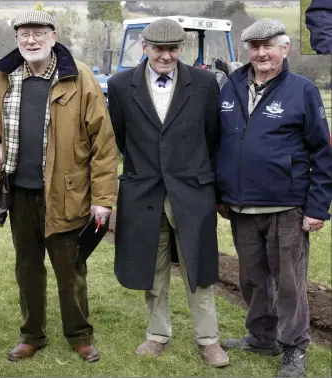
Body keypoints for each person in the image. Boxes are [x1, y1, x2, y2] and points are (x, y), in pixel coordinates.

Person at [0, 10, 117, 363]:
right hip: (19, 194)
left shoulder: (79, 78)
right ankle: (31, 335)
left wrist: (102, 199)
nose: (31, 40)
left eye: (39, 33)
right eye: (24, 34)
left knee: (71, 270)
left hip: (66, 194)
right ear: (17, 39)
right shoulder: (2, 78)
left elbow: (103, 143)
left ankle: (80, 335)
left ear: (54, 37)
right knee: (27, 268)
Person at [107, 18, 229, 368]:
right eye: (158, 48)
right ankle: (157, 334)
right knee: (153, 267)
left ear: (181, 49)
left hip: (192, 193)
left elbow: (212, 137)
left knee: (199, 269)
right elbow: (122, 136)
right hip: (143, 193)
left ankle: (209, 340)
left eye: (173, 49)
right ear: (144, 47)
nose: (166, 56)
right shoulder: (118, 85)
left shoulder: (205, 84)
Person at [215, 19, 332, 378]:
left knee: (289, 283)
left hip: (287, 207)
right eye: (255, 47)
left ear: (285, 49)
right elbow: (220, 141)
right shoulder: (230, 85)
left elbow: (323, 153)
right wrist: (221, 193)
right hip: (241, 206)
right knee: (251, 278)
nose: (261, 53)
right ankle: (261, 336)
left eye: (269, 46)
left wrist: (317, 208)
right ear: (247, 50)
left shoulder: (302, 91)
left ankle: (294, 346)